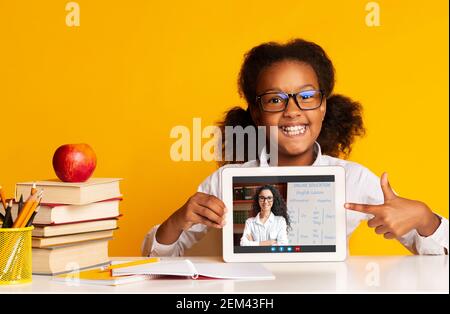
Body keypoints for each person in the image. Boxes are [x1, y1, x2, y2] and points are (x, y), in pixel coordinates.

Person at [142, 39, 448, 257]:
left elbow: (441, 254)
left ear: (324, 106)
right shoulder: (226, 181)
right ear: (256, 113)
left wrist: (424, 219)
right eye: (275, 99)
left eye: (307, 96)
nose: (292, 110)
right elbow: (154, 260)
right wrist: (177, 220)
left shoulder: (353, 180)